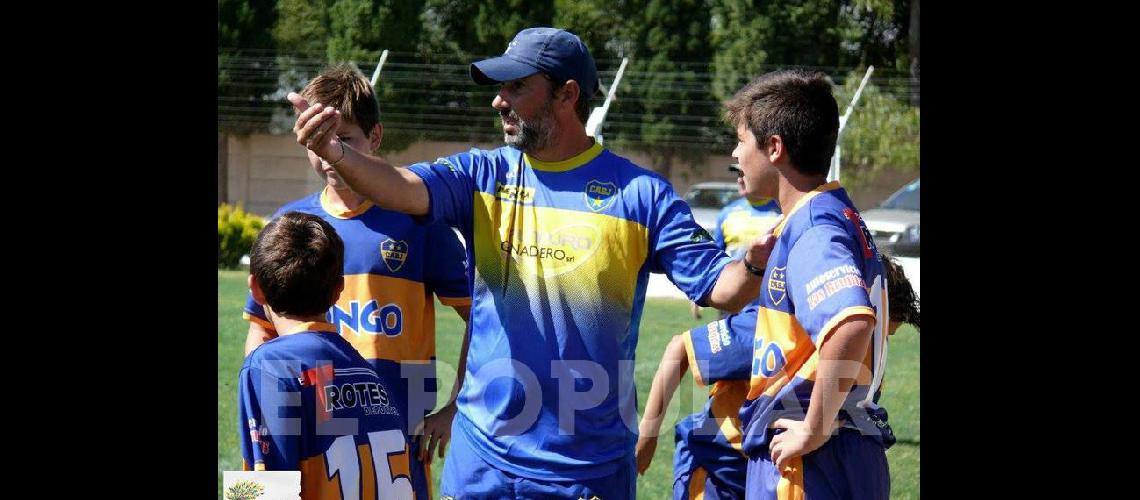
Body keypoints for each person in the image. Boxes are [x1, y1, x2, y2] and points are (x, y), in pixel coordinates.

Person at [287, 26, 772, 499]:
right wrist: (337, 152)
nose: (500, 100)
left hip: (585, 469)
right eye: (501, 88)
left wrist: (753, 263)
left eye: (517, 87)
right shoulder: (483, 174)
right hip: (481, 460)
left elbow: (722, 288)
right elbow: (400, 187)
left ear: (566, 94)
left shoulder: (641, 196)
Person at [242, 64, 471, 499]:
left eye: (343, 139)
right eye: (319, 139)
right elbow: (260, 327)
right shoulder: (291, 226)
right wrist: (262, 388)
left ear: (376, 137)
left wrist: (456, 405)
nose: (329, 152)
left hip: (399, 446)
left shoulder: (418, 221)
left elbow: (482, 316)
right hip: (314, 440)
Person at [722, 68, 891, 499]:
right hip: (839, 449)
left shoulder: (814, 225)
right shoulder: (835, 212)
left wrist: (812, 430)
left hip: (812, 462)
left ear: (774, 148)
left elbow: (851, 322)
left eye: (741, 141)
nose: (735, 155)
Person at [636, 253, 921, 499]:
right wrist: (647, 438)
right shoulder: (779, 329)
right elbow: (680, 349)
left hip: (762, 472)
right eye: (881, 334)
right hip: (714, 466)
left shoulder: (853, 357)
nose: (877, 347)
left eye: (887, 337)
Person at [238, 211, 414, 499]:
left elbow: (267, 490)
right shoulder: (369, 373)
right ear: (338, 291)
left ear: (256, 289)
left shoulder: (268, 366)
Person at [691, 163, 783, 319]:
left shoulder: (781, 213)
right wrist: (697, 292)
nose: (739, 180)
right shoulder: (727, 214)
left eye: (744, 174)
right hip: (731, 309)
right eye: (737, 175)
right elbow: (714, 259)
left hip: (769, 309)